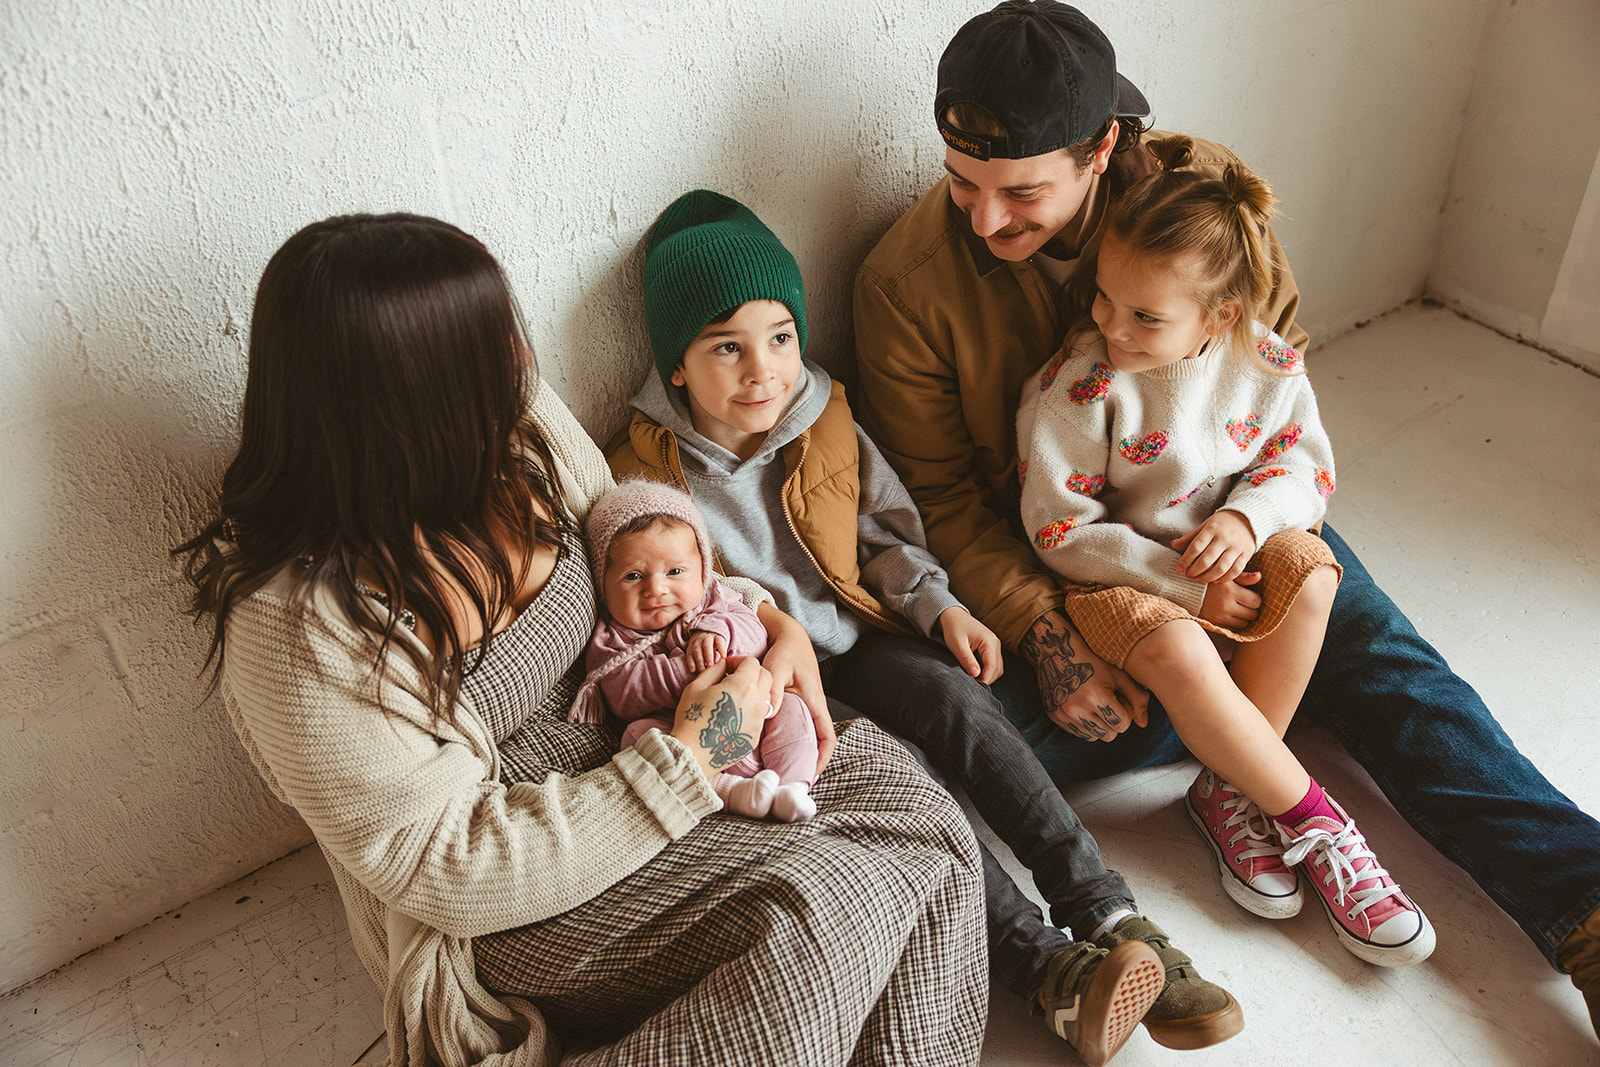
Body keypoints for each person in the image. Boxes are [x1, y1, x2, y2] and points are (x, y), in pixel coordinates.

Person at [853, 0, 1600, 1037]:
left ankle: (1586, 909)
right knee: (912, 738)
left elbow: (1271, 404)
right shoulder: (906, 284)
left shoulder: (1210, 207)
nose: (983, 220)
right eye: (959, 182)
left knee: (1371, 643)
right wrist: (1047, 634)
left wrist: (1244, 538)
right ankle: (1225, 749)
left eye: (1018, 191)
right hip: (1065, 573)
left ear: (1102, 149)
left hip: (1220, 540)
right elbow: (940, 500)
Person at [176, 212, 990, 1066]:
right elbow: (448, 864)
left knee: (923, 819)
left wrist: (767, 620)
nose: (524, 365)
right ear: (400, 406)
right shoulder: (299, 629)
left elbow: (637, 544)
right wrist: (695, 752)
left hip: (668, 701)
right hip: (530, 867)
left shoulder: (517, 434)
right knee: (828, 905)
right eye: (490, 354)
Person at [607, 187, 1240, 1064]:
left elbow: (885, 536)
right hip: (779, 690)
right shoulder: (645, 474)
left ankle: (1106, 907)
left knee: (962, 708)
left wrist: (940, 609)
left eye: (781, 337)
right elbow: (652, 605)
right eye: (727, 348)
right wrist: (736, 649)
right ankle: (1051, 974)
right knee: (904, 789)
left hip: (861, 636)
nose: (764, 371)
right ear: (676, 365)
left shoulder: (824, 419)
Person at [1018, 157, 1432, 966]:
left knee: (1313, 570)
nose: (1113, 325)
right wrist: (1180, 584)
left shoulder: (1266, 363)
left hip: (1228, 558)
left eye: (1146, 316)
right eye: (1104, 297)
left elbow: (1303, 467)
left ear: (1221, 314)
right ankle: (1314, 817)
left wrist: (1247, 519)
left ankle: (1229, 793)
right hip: (1121, 578)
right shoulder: (1086, 382)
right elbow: (1058, 529)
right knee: (1175, 644)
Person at [576, 477, 819, 821]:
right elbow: (623, 693)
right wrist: (687, 670)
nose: (656, 588)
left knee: (791, 705)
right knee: (637, 736)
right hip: (681, 730)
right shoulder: (612, 638)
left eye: (675, 571)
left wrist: (716, 631)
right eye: (633, 576)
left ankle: (793, 786)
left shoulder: (715, 601)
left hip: (756, 717)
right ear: (602, 581)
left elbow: (755, 633)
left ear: (703, 570)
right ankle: (732, 792)